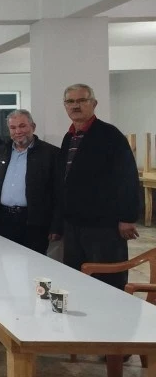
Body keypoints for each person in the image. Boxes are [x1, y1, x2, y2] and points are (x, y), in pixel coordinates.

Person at [55, 83, 140, 290]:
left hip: (104, 225)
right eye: (70, 101)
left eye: (81, 100)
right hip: (73, 224)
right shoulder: (69, 137)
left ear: (94, 103)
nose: (75, 105)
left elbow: (128, 177)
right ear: (65, 106)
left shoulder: (110, 135)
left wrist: (127, 218)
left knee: (107, 279)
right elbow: (64, 181)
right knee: (75, 277)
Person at [0, 110, 59, 254]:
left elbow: (58, 192)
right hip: (3, 219)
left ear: (33, 127)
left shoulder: (51, 153)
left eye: (22, 126)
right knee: (3, 260)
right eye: (13, 127)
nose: (18, 131)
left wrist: (56, 226)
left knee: (33, 263)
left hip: (35, 223)